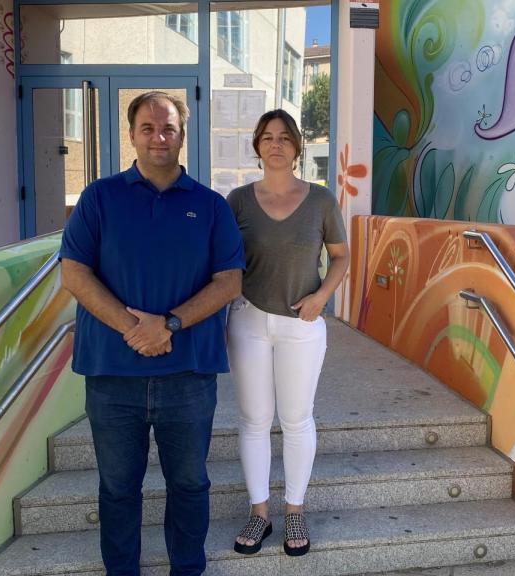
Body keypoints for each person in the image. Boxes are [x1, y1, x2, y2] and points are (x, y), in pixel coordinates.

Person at [60, 91, 244, 576]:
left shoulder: (210, 205)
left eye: (169, 128)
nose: (159, 137)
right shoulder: (99, 198)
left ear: (183, 135)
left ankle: (188, 569)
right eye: (148, 128)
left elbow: (229, 281)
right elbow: (74, 273)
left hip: (188, 375)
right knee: (118, 488)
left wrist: (170, 324)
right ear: (132, 134)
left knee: (190, 485)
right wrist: (135, 328)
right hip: (112, 375)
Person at [225, 109, 350, 557]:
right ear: (257, 145)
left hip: (303, 324)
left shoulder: (320, 201)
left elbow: (341, 257)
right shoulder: (236, 201)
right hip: (248, 320)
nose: (275, 144)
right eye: (267, 137)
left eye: (284, 137)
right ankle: (260, 513)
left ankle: (294, 508)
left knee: (296, 419)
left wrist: (321, 298)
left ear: (297, 147)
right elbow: (220, 261)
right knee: (254, 420)